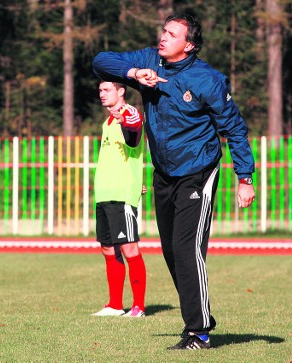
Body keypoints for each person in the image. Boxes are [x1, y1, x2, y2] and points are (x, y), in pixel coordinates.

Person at [93, 14, 255, 349]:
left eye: (172, 34)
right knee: (171, 252)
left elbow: (235, 128)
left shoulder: (208, 79)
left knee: (186, 249)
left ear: (189, 44)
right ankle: (198, 319)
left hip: (198, 172)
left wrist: (245, 177)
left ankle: (199, 330)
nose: (163, 37)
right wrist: (135, 74)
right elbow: (101, 62)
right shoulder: (151, 60)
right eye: (164, 31)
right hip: (164, 173)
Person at [91, 81, 147, 319]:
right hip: (104, 193)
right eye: (101, 90)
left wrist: (125, 120)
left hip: (122, 193)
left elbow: (134, 137)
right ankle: (115, 305)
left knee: (129, 247)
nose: (102, 94)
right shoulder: (108, 121)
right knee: (107, 248)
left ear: (121, 91)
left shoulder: (130, 114)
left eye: (107, 90)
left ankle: (139, 307)